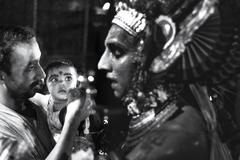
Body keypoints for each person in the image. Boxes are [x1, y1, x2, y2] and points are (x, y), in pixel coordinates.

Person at [98, 0, 240, 159]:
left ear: (152, 57)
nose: (102, 64)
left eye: (117, 52)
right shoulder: (156, 114)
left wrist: (70, 124)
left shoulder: (181, 129)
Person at [0, 25, 92, 159]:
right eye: (30, 67)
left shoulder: (38, 104)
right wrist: (72, 122)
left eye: (38, 63)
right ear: (2, 75)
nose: (42, 74)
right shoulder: (3, 135)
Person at [32, 59, 106, 159]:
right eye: (54, 79)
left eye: (68, 78)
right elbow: (23, 94)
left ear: (77, 83)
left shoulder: (82, 106)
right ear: (46, 85)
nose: (62, 83)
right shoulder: (44, 102)